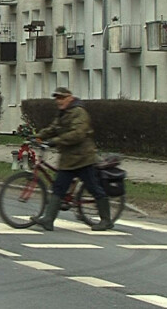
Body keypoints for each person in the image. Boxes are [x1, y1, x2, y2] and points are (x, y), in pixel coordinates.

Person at [30, 87, 113, 231]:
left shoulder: (79, 112)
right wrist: (39, 136)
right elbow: (53, 128)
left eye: (61, 98)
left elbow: (78, 134)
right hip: (68, 159)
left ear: (70, 98)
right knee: (59, 188)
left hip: (83, 158)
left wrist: (55, 141)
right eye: (57, 98)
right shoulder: (64, 113)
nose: (59, 101)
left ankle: (106, 220)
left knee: (94, 188)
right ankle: (48, 220)